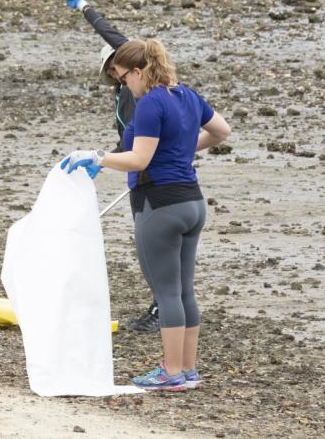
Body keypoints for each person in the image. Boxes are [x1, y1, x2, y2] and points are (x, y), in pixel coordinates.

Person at [61, 39, 231, 391]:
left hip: (160, 206)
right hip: (193, 204)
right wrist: (180, 148)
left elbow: (138, 160)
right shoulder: (186, 95)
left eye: (124, 79)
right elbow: (221, 132)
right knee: (184, 291)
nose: (124, 86)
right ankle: (187, 370)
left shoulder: (151, 103)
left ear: (139, 71)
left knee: (167, 292)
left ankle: (170, 373)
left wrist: (96, 156)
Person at [58, 0, 158, 333]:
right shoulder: (125, 94)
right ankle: (166, 307)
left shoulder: (142, 92)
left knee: (155, 248)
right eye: (112, 71)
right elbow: (128, 140)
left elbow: (116, 36)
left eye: (117, 68)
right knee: (151, 246)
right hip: (140, 173)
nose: (115, 74)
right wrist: (102, 161)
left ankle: (163, 310)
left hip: (151, 177)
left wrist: (84, 6)